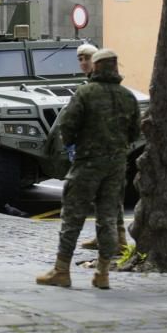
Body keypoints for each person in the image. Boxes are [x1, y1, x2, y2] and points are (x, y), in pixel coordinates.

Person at [36, 49, 140, 290]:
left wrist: (77, 144)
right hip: (115, 167)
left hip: (86, 165)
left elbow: (67, 126)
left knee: (72, 216)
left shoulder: (85, 93)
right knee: (107, 218)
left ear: (97, 66)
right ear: (115, 68)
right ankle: (102, 274)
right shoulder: (128, 97)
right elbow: (135, 133)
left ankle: (61, 270)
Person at [76, 44, 128, 254]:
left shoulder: (104, 86)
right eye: (80, 58)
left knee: (109, 197)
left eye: (86, 58)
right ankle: (106, 237)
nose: (83, 62)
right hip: (102, 151)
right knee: (104, 198)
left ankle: (118, 239)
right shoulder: (88, 84)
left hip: (106, 152)